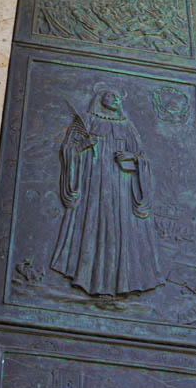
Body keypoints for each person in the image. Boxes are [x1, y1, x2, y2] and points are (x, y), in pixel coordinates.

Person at [51, 86, 163, 298]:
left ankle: (119, 284)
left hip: (120, 187)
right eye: (110, 95)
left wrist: (131, 158)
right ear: (99, 97)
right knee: (93, 226)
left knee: (120, 230)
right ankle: (88, 279)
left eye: (118, 97)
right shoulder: (86, 121)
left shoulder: (127, 126)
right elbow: (68, 150)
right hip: (93, 185)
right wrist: (83, 145)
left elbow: (141, 157)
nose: (115, 99)